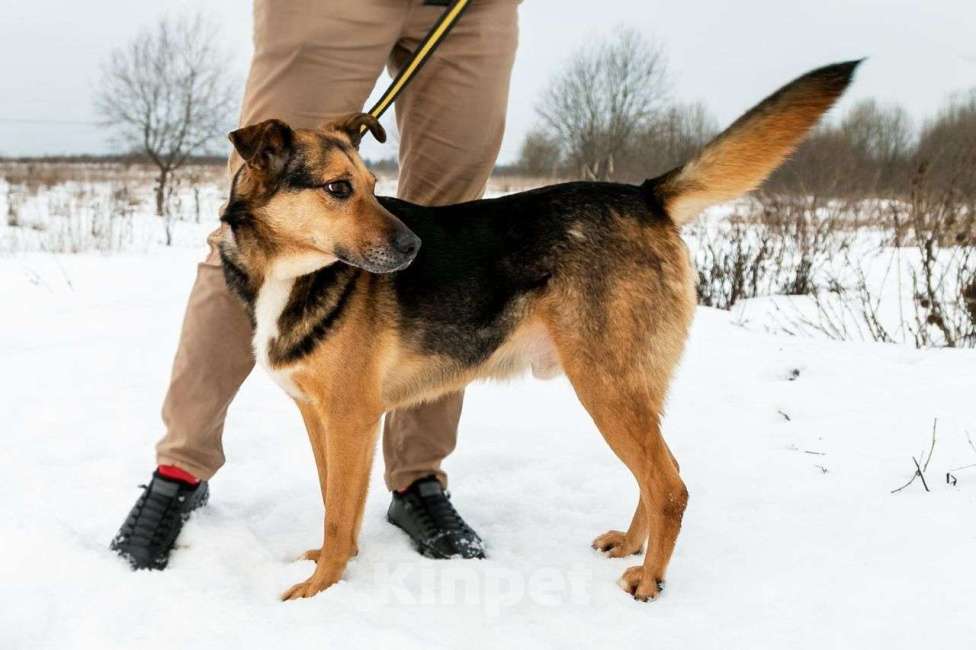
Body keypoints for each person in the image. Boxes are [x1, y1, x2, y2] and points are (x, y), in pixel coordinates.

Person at [110, 0, 519, 570]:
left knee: (447, 233)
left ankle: (418, 478)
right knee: (254, 226)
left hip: (466, 11)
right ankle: (180, 469)